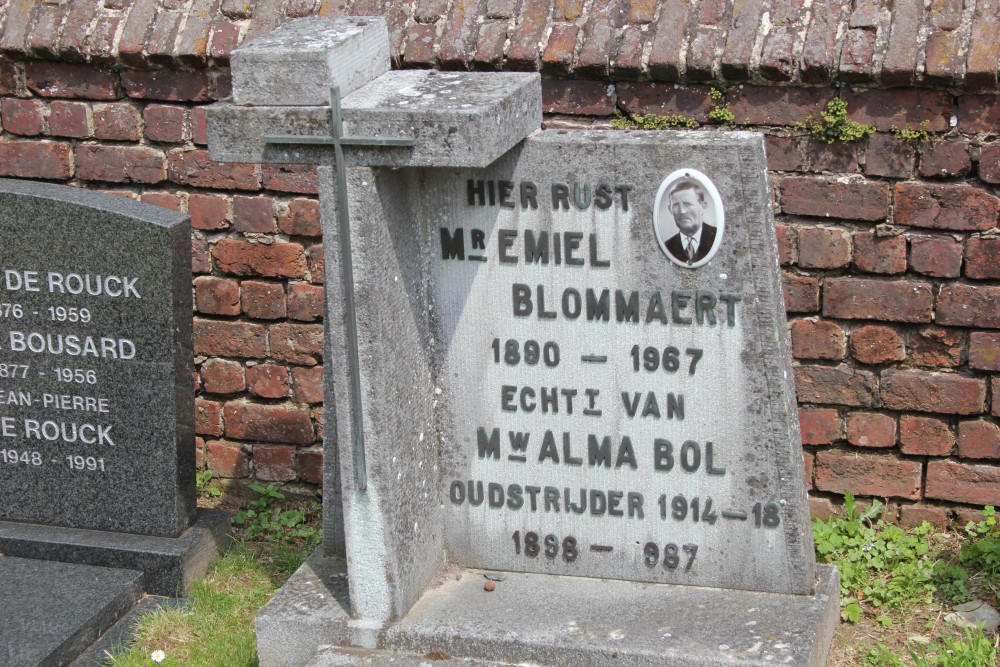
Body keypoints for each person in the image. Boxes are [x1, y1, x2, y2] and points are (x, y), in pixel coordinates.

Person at [662, 180, 717, 265]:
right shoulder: (667, 246)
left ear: (703, 206)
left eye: (687, 204)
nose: (682, 211)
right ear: (670, 210)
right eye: (676, 205)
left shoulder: (715, 237)